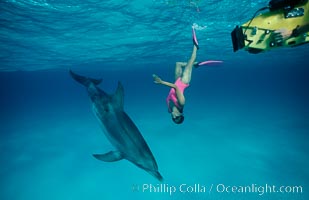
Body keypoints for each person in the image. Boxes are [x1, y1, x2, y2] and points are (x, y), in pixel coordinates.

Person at [153, 27, 222, 124]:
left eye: (173, 119)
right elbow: (176, 87)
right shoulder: (181, 103)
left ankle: (195, 65)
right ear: (180, 114)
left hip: (176, 80)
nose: (173, 116)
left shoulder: (169, 109)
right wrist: (161, 82)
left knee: (178, 64)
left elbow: (171, 93)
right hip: (184, 81)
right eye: (176, 117)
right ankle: (196, 47)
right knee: (191, 58)